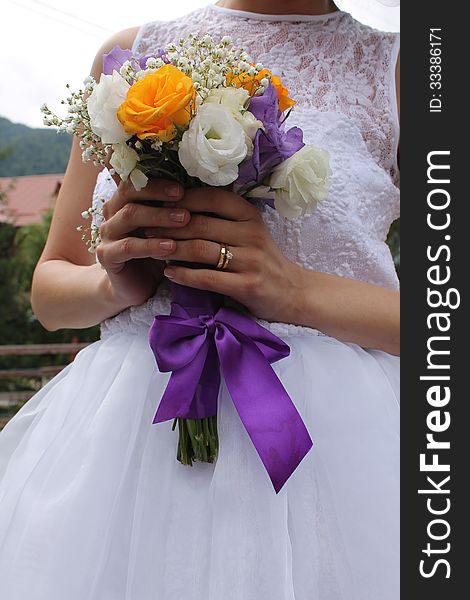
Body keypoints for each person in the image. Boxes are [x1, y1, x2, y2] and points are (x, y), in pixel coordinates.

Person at [0, 1, 400, 598]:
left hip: (343, 455)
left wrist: (293, 289)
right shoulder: (128, 55)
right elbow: (53, 290)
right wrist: (117, 285)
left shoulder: (411, 71)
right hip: (127, 447)